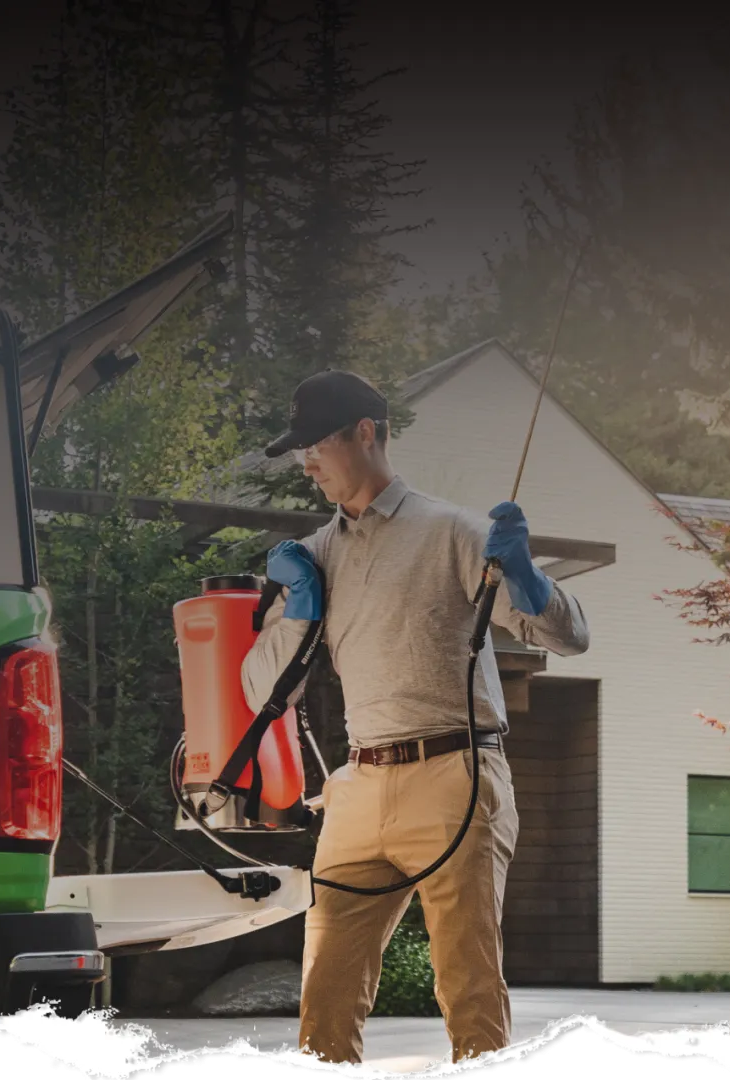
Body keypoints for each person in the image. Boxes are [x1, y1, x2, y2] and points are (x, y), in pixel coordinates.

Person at [240, 369, 591, 1066]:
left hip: (455, 775)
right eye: (299, 450)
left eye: (315, 445)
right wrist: (299, 612)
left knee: (467, 983)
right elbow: (259, 690)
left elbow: (568, 635)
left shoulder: (454, 532)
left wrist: (529, 577)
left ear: (366, 434)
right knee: (326, 988)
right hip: (360, 784)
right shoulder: (313, 555)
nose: (306, 463)